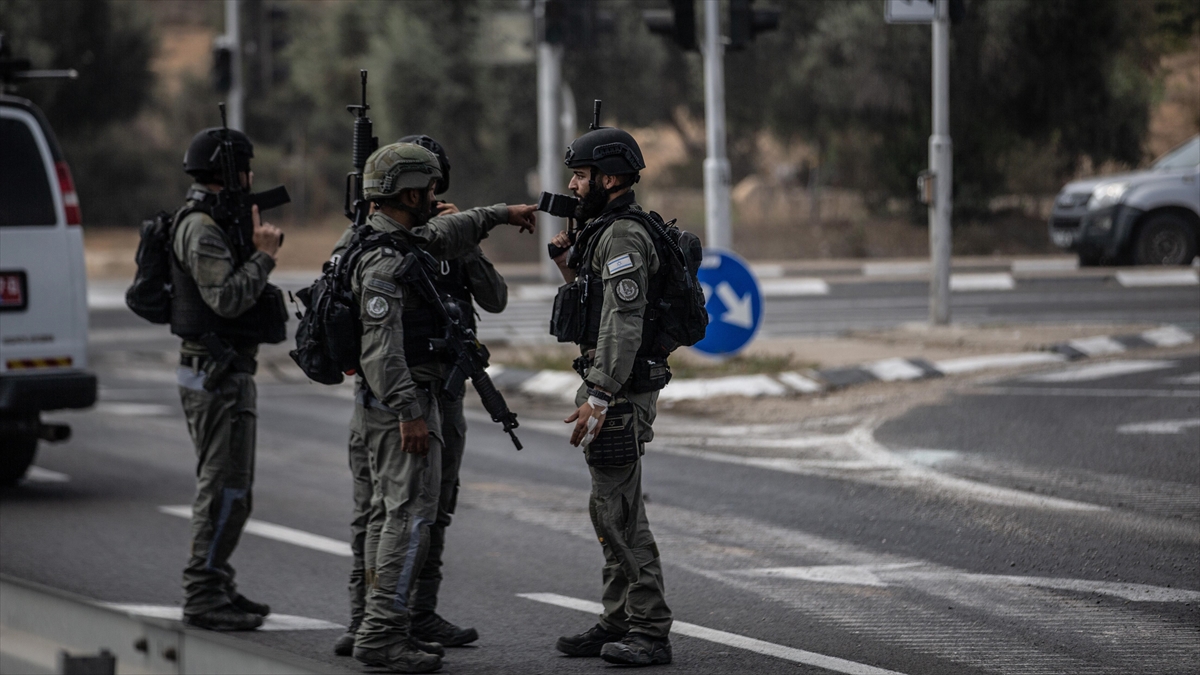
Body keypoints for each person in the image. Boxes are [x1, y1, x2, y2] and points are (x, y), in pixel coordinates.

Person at [349, 142, 534, 673]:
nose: (437, 197)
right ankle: (380, 632)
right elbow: (380, 349)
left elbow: (458, 237)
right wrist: (409, 411)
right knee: (403, 515)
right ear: (409, 192)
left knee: (415, 513)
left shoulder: (405, 239)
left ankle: (393, 624)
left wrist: (499, 215)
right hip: (404, 402)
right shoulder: (385, 258)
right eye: (430, 189)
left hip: (429, 394)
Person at [548, 124, 674, 666]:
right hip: (611, 384)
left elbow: (623, 322)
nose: (573, 186)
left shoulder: (624, 236)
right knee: (609, 508)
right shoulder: (605, 231)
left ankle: (649, 629)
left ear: (612, 177)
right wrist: (566, 264)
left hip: (618, 390)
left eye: (581, 175)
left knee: (619, 514)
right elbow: (596, 304)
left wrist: (599, 395)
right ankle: (617, 617)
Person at [171, 127, 284, 631]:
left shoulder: (213, 220)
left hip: (226, 373)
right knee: (221, 491)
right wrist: (262, 255)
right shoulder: (200, 227)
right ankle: (201, 595)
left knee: (235, 491)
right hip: (215, 376)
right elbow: (226, 299)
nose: (252, 176)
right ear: (230, 170)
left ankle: (217, 582)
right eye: (246, 166)